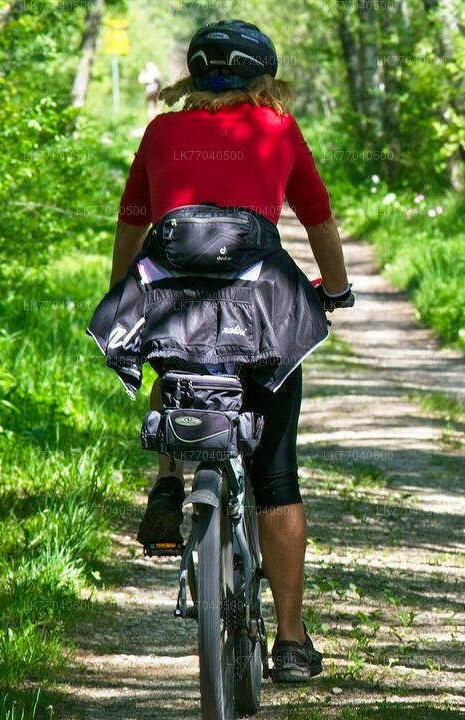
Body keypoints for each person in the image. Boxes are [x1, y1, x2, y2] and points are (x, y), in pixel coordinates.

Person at [106, 20, 353, 683]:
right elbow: (318, 218)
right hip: (261, 308)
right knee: (276, 475)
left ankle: (167, 480)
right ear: (263, 78)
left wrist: (122, 297)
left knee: (174, 354)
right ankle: (293, 642)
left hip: (171, 298)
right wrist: (338, 290)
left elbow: (132, 225)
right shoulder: (275, 127)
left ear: (194, 76)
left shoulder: (161, 131)